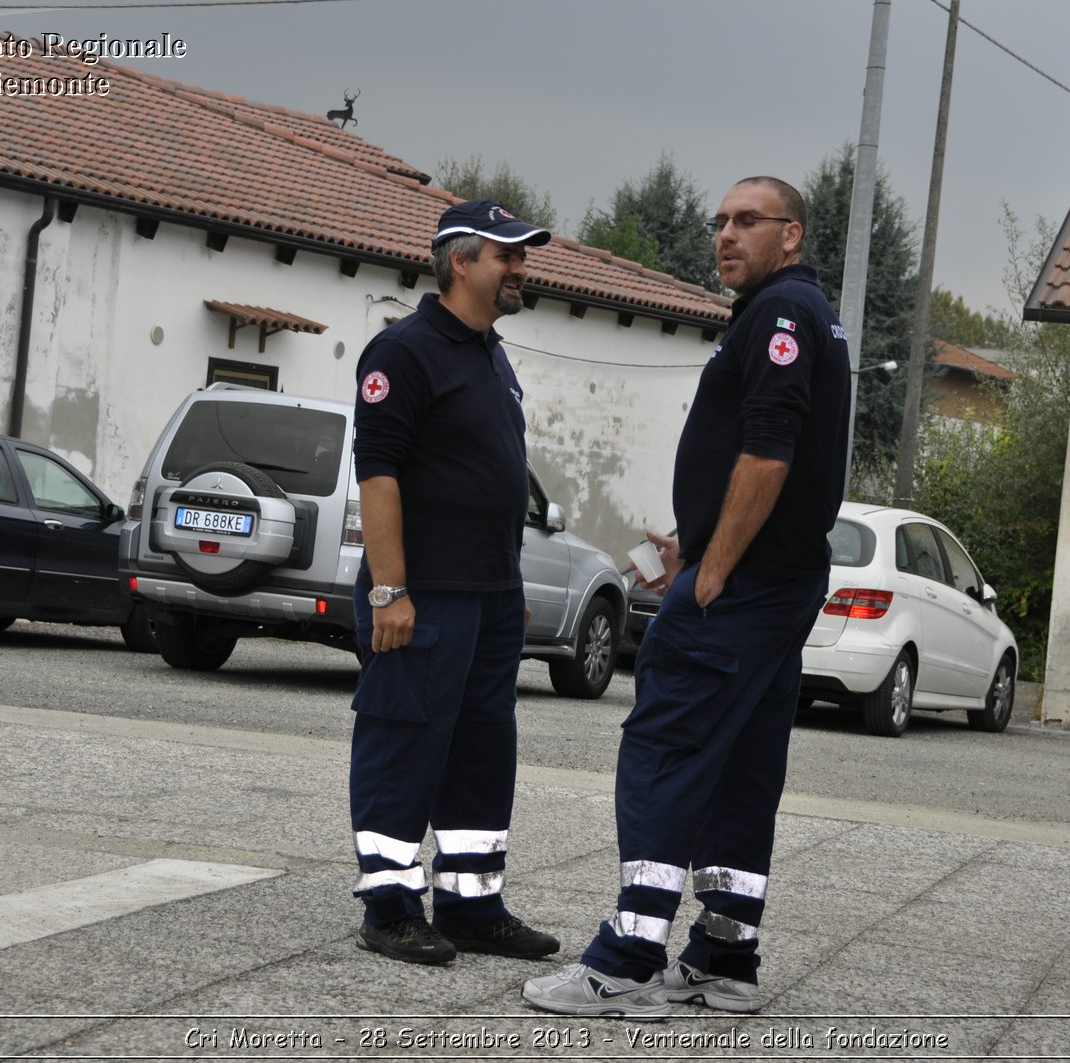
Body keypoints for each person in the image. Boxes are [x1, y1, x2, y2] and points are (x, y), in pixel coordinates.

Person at [522, 177, 850, 1017]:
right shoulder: (792, 313)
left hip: (742, 589)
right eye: (720, 222)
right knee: (743, 763)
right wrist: (692, 540)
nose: (726, 235)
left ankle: (627, 957)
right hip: (773, 583)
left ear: (791, 235)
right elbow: (766, 458)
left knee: (663, 750)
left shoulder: (781, 315)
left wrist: (710, 571)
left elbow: (770, 455)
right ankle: (723, 954)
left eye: (748, 220)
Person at [348, 200, 560, 966]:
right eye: (509, 256)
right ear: (460, 262)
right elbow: (378, 476)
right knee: (404, 741)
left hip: (490, 594)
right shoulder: (401, 353)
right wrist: (388, 590)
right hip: (423, 593)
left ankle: (472, 904)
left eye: (523, 256)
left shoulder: (491, 355)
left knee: (480, 749)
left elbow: (492, 479)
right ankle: (391, 906)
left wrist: (510, 582)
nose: (522, 269)